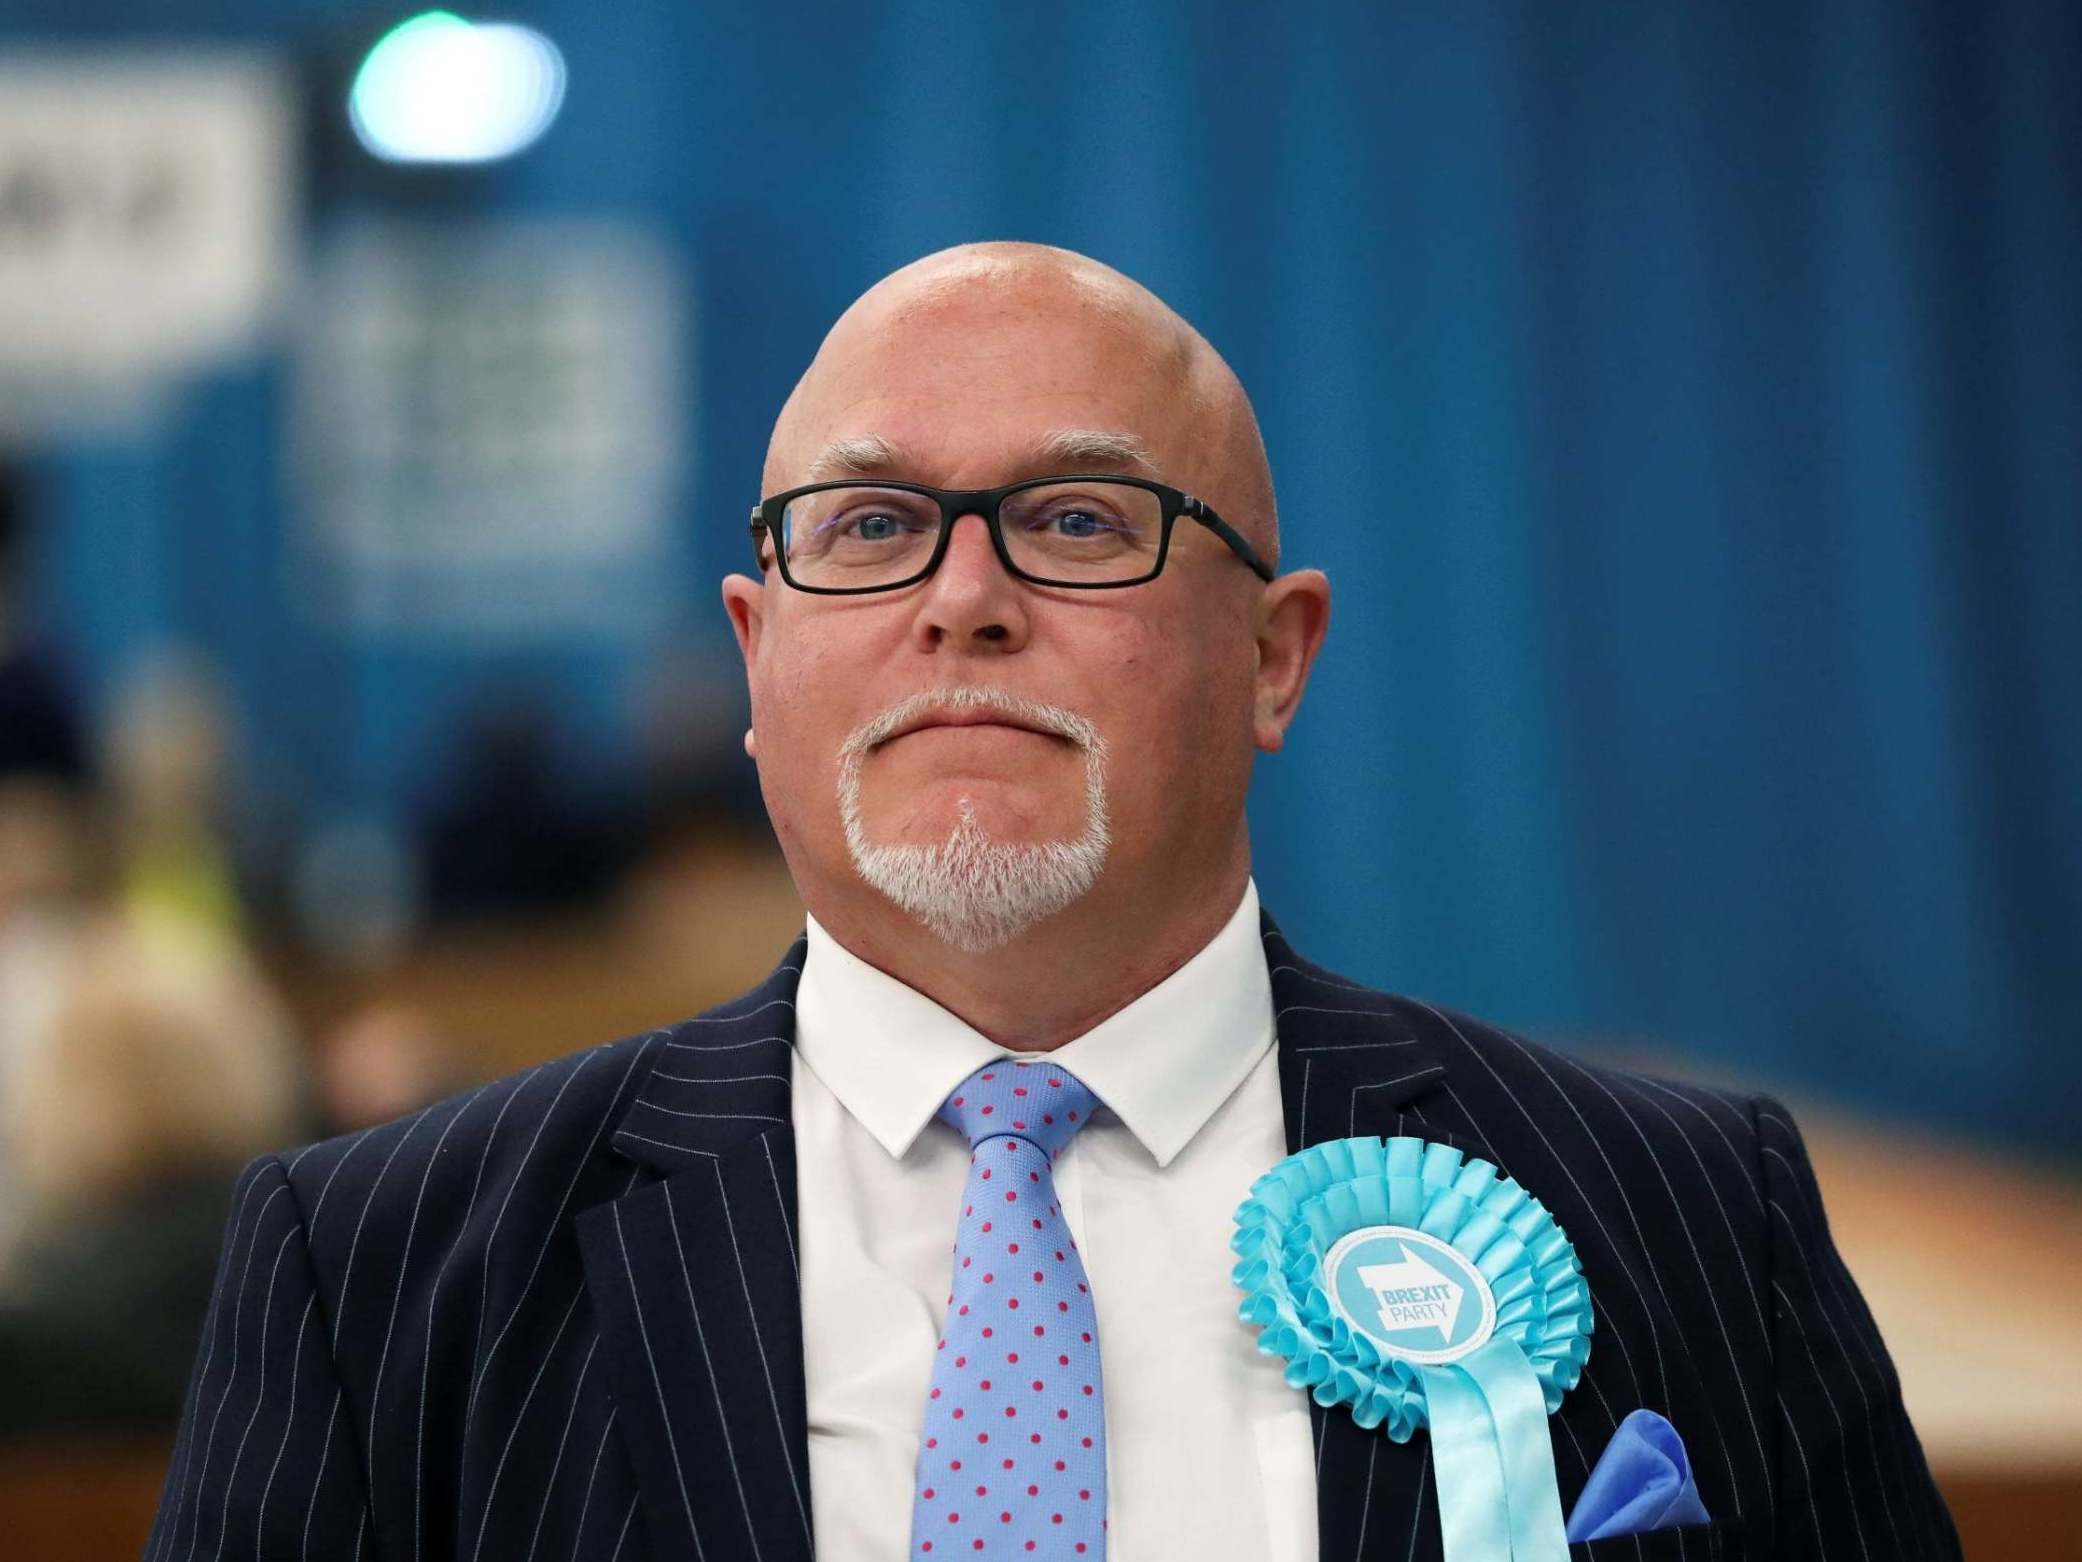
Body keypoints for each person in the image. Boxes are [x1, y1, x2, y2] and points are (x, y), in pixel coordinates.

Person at [147, 243, 1959, 1561]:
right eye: (867, 529)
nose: (962, 599)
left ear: (1275, 655)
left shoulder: (1681, 1213)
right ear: (756, 655)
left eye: (1081, 521)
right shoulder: (376, 1264)